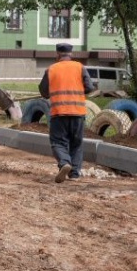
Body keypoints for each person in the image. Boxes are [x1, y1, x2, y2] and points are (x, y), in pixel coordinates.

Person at [38, 43, 95, 183]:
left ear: (57, 54)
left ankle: (64, 163)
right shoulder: (80, 67)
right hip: (77, 112)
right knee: (76, 143)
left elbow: (44, 92)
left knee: (58, 142)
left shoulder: (51, 69)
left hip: (59, 113)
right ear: (71, 54)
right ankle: (74, 174)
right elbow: (89, 87)